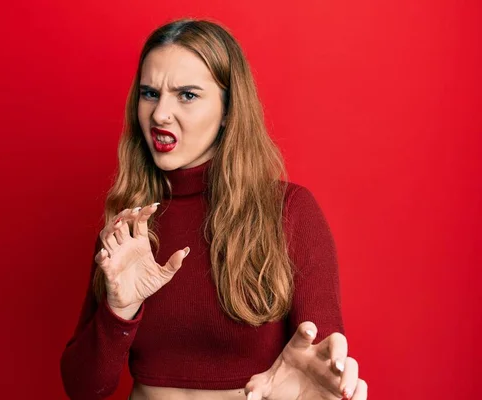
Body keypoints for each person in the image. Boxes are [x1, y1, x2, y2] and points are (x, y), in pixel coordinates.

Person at [60, 18, 367, 400]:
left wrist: (327, 385)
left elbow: (318, 364)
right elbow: (84, 388)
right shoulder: (130, 225)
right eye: (150, 93)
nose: (159, 115)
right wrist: (119, 310)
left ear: (228, 110)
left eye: (186, 95)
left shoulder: (288, 212)